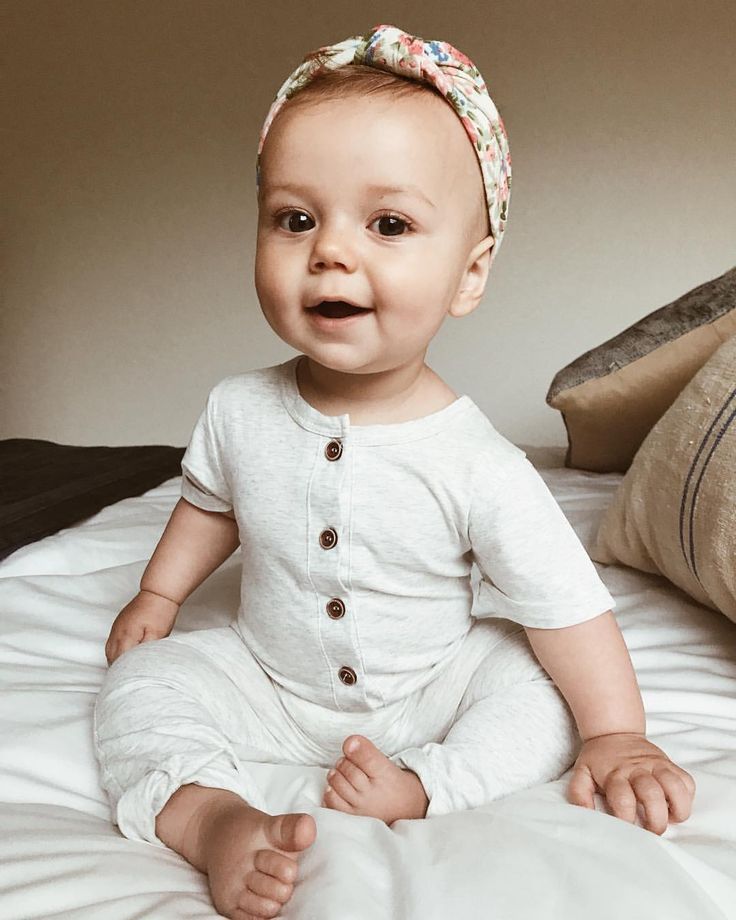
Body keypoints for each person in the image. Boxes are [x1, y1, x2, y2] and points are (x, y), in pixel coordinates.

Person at [95, 23, 696, 920]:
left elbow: (566, 608)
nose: (332, 251)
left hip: (433, 690)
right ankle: (212, 819)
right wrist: (158, 597)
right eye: (295, 219)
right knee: (139, 688)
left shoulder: (476, 461)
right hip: (268, 679)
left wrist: (618, 734)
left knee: (536, 694)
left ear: (468, 273)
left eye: (388, 224)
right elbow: (208, 502)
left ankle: (421, 786)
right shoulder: (236, 408)